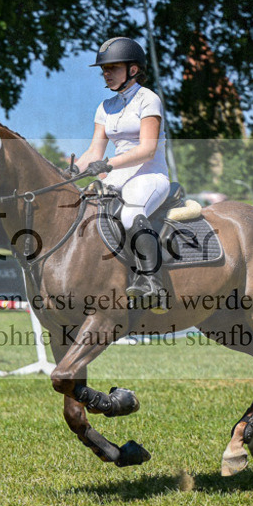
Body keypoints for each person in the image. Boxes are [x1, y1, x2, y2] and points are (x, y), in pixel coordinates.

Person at [72, 37, 170, 313]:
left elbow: (148, 149)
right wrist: (69, 171)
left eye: (113, 68)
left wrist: (107, 165)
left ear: (133, 70)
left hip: (150, 176)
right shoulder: (105, 107)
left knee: (129, 215)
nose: (106, 74)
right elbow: (94, 152)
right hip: (116, 175)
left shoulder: (148, 99)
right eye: (104, 69)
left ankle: (153, 283)